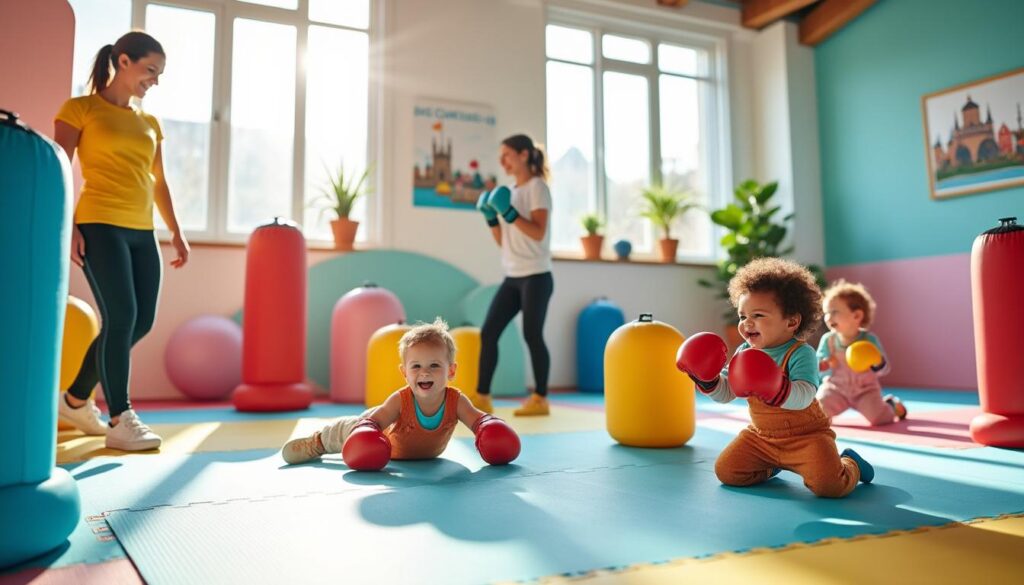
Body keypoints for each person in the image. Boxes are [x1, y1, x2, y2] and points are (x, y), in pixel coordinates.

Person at [54, 31, 190, 451]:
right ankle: (120, 417)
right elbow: (58, 168)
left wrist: (176, 231)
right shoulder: (80, 109)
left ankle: (75, 400)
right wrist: (69, 226)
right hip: (98, 223)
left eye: (160, 73)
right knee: (121, 314)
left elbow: (158, 181)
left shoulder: (148, 121)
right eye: (151, 70)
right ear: (124, 61)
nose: (155, 80)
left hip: (140, 229)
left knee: (139, 320)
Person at [676, 258, 874, 498]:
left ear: (791, 321)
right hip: (762, 437)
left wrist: (775, 387)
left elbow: (805, 395)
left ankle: (850, 463)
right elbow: (728, 392)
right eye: (742, 316)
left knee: (830, 486)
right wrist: (708, 380)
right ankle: (773, 464)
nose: (747, 323)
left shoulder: (801, 353)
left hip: (807, 437)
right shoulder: (743, 352)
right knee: (728, 471)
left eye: (757, 315)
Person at [281, 319, 520, 469]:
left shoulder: (456, 400)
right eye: (416, 366)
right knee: (351, 428)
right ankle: (317, 442)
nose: (424, 372)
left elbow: (479, 421)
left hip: (423, 456)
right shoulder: (400, 399)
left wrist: (490, 430)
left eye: (434, 366)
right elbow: (374, 421)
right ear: (404, 372)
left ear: (452, 371)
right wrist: (365, 431)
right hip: (382, 436)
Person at [473, 134, 554, 416]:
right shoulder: (508, 190)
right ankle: (482, 396)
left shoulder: (537, 188)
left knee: (532, 335)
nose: (502, 161)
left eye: (507, 154)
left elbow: (538, 231)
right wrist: (492, 217)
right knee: (489, 332)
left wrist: (508, 212)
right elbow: (503, 242)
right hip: (513, 276)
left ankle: (541, 399)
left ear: (523, 155)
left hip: (537, 276)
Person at [817, 279, 906, 425]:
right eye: (826, 312)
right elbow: (818, 365)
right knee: (817, 413)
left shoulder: (869, 339)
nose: (827, 317)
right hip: (835, 390)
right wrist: (825, 364)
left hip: (865, 391)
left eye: (834, 312)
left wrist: (876, 361)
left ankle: (891, 405)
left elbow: (884, 369)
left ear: (857, 316)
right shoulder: (829, 340)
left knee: (880, 419)